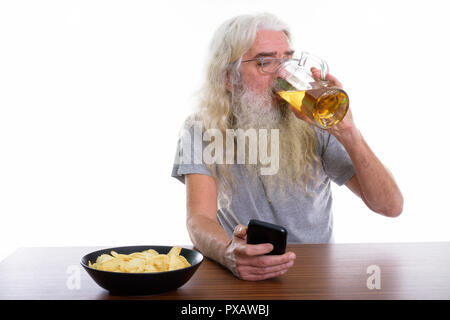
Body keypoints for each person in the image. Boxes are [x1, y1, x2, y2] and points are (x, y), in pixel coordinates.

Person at [171, 13, 403, 281]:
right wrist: (229, 253)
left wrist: (348, 131)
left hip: (314, 272)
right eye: (265, 62)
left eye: (288, 60)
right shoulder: (200, 127)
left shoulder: (314, 119)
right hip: (242, 272)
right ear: (228, 77)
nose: (284, 75)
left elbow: (390, 206)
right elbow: (199, 219)